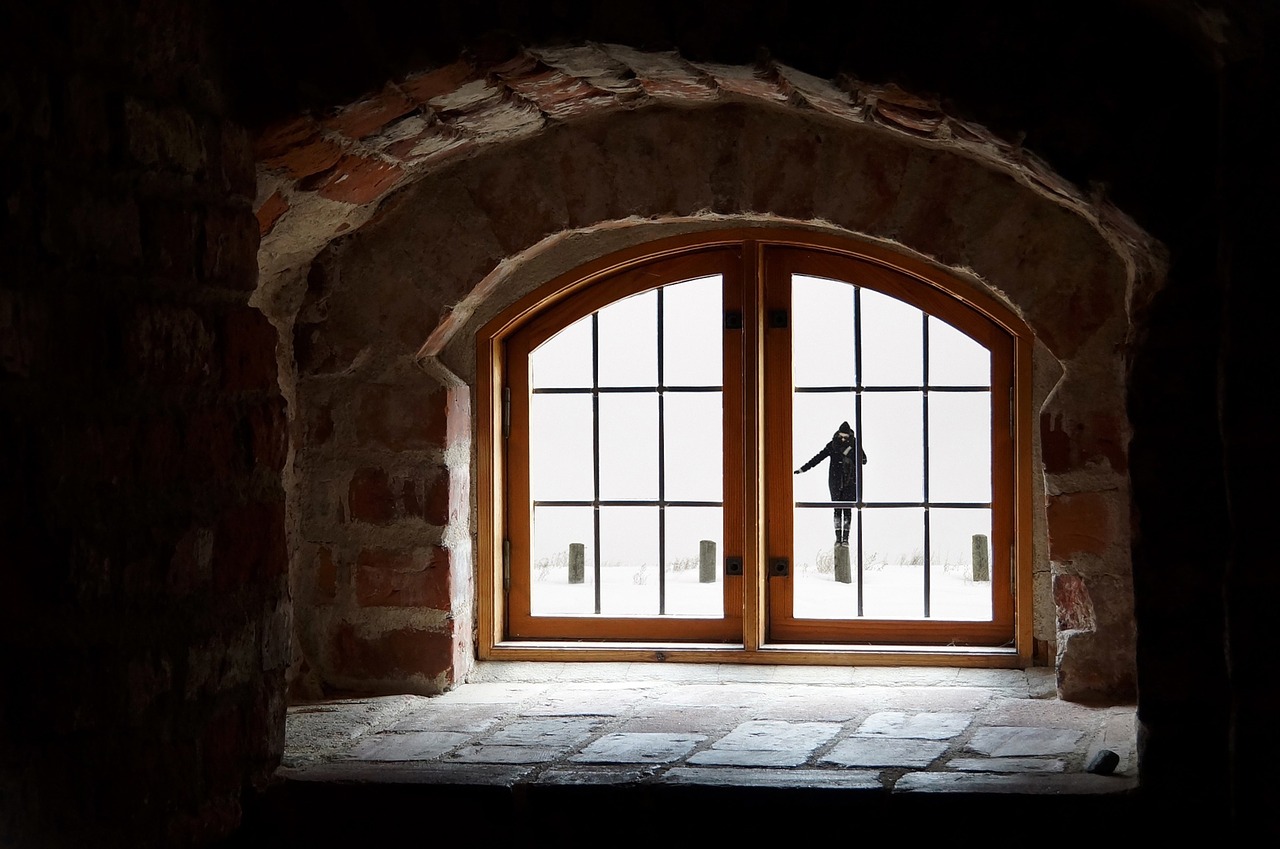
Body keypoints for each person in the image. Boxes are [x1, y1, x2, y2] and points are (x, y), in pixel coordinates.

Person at [794, 421, 867, 546]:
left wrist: (849, 452)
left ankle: (846, 539)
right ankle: (838, 539)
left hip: (850, 482)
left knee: (848, 509)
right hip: (835, 481)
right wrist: (802, 469)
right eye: (841, 436)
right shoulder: (832, 445)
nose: (843, 439)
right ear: (838, 434)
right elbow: (817, 458)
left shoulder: (855, 444)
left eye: (846, 437)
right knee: (837, 509)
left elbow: (864, 460)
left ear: (849, 435)